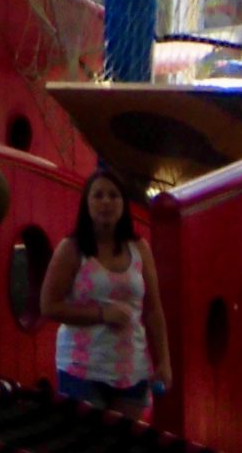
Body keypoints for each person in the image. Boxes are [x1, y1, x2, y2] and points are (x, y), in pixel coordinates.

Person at [42, 165, 172, 412]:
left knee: (124, 437)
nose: (106, 202)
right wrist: (102, 314)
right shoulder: (71, 249)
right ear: (87, 204)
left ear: (123, 204)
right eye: (98, 195)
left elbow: (153, 310)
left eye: (113, 195)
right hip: (82, 370)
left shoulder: (139, 248)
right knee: (87, 436)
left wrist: (164, 362)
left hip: (131, 368)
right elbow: (49, 306)